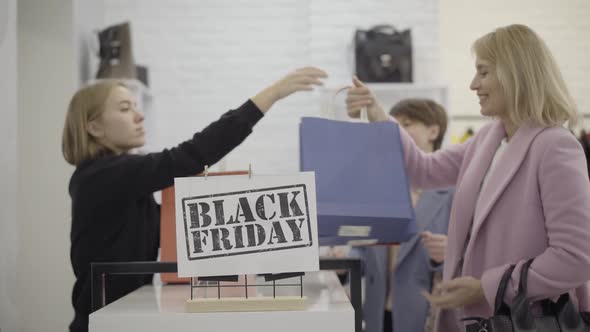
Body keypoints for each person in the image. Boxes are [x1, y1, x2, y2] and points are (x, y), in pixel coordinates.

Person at [346, 24, 590, 332]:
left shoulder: (555, 145)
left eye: (484, 72)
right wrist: (379, 114)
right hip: (475, 318)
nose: (474, 84)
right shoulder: (487, 139)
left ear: (516, 74)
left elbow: (575, 258)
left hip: (523, 319)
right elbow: (424, 169)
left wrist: (485, 287)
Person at [61, 67, 327, 332]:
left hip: (120, 319)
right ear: (93, 126)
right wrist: (273, 94)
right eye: (124, 108)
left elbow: (171, 223)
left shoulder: (119, 181)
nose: (139, 116)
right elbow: (191, 155)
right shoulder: (103, 175)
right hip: (103, 324)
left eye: (135, 107)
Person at [360, 98, 454, 332]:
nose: (396, 129)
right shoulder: (382, 190)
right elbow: (365, 251)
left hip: (425, 315)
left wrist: (449, 253)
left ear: (433, 131)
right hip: (378, 315)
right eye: (393, 123)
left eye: (406, 123)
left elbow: (474, 257)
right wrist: (344, 256)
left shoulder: (455, 193)